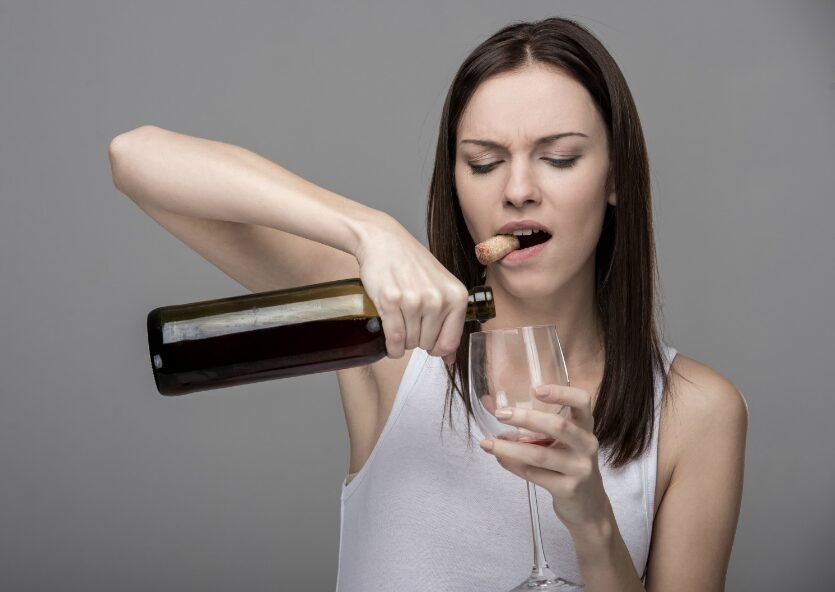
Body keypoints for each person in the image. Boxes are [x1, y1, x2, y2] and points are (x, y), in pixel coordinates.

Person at [108, 17, 747, 591]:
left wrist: (594, 526)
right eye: (484, 162)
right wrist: (367, 230)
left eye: (558, 158)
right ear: (456, 182)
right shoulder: (392, 338)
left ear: (613, 179)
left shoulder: (697, 412)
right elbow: (135, 157)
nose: (518, 190)